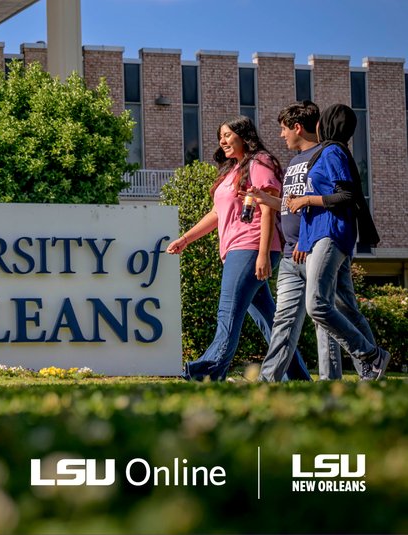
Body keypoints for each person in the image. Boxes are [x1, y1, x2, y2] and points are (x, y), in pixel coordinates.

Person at [167, 116, 311, 382]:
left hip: (251, 246)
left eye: (228, 135)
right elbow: (216, 213)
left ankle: (206, 371)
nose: (222, 141)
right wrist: (185, 239)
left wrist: (264, 254)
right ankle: (299, 377)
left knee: (228, 312)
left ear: (244, 136)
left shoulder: (259, 162)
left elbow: (268, 206)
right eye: (220, 136)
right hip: (237, 249)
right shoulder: (232, 170)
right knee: (269, 322)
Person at [254, 101, 353, 381]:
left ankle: (330, 380)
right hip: (289, 255)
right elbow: (291, 206)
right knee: (284, 319)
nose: (282, 135)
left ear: (297, 127)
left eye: (284, 129)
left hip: (312, 247)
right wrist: (267, 200)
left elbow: (326, 202)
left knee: (322, 315)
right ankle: (268, 379)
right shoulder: (295, 161)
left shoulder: (323, 154)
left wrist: (306, 241)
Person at [290, 103, 390, 381]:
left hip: (331, 233)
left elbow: (346, 195)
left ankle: (370, 355)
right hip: (322, 235)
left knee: (316, 304)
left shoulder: (332, 151)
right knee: (346, 308)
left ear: (328, 124)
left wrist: (306, 199)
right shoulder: (329, 151)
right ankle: (371, 373)